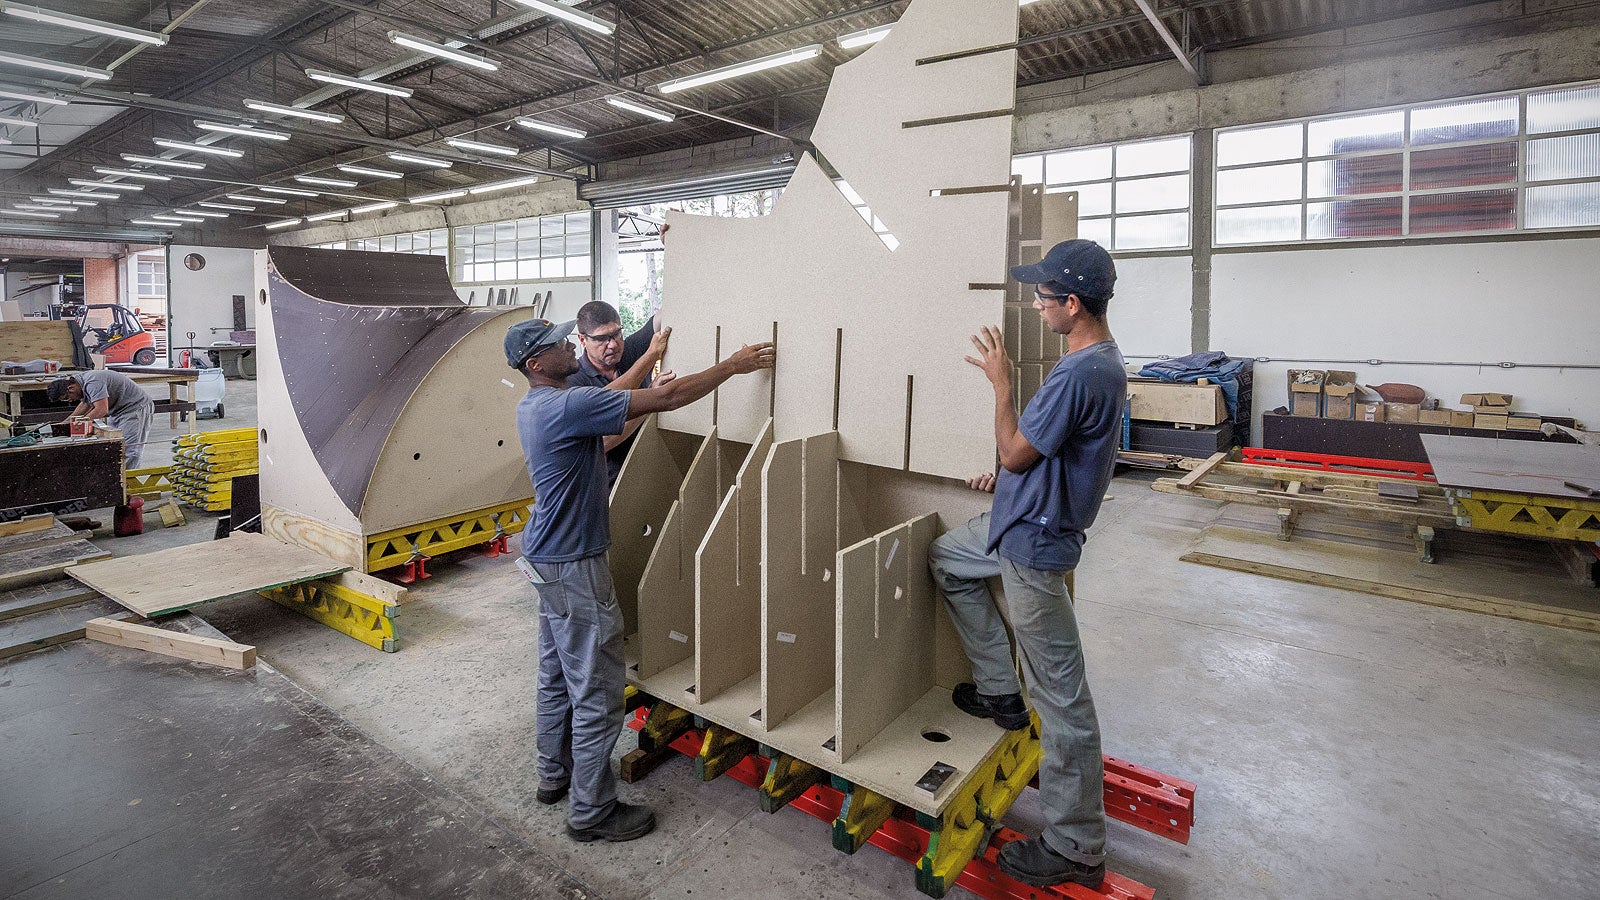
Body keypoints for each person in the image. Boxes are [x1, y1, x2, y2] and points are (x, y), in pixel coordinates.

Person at [507, 317, 774, 843]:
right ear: (537, 365)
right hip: (574, 565)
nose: (568, 346)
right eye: (557, 345)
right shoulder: (568, 404)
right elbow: (668, 401)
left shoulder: (537, 405)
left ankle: (553, 777)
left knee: (556, 676)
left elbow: (611, 395)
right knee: (599, 692)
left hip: (545, 558)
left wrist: (647, 358)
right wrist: (734, 365)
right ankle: (591, 812)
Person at [927, 239, 1126, 889]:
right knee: (947, 560)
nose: (1037, 306)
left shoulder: (1079, 373)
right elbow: (1040, 459)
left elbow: (1016, 450)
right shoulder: (1098, 362)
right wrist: (1009, 481)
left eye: (1044, 297)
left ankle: (1076, 844)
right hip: (1019, 523)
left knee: (1064, 700)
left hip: (1035, 546)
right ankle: (998, 690)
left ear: (1073, 304)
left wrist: (1001, 384)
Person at [566, 301, 676, 486]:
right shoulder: (574, 383)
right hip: (609, 484)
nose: (613, 345)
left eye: (617, 334)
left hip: (651, 471)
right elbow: (603, 441)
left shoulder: (629, 350)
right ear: (583, 340)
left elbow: (664, 316)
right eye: (602, 339)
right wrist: (651, 399)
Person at [46, 370, 156, 468]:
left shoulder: (92, 382)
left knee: (129, 450)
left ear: (71, 388)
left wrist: (79, 423)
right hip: (118, 411)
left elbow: (101, 410)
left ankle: (127, 485)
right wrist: (65, 423)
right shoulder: (80, 382)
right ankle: (117, 480)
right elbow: (85, 404)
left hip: (135, 408)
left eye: (67, 398)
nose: (70, 401)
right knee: (114, 445)